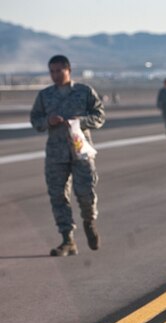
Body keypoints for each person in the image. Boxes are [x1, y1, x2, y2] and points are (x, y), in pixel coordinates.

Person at [30, 55, 105, 257]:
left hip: (80, 152)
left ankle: (89, 221)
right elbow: (35, 119)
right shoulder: (45, 96)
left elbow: (100, 116)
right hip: (56, 154)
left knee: (85, 193)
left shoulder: (84, 92)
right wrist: (48, 121)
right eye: (52, 72)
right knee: (58, 197)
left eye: (58, 71)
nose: (55, 75)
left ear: (68, 70)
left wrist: (82, 121)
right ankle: (67, 240)